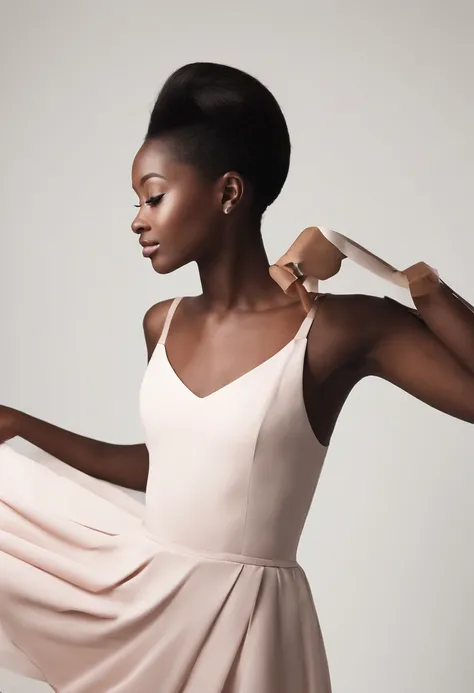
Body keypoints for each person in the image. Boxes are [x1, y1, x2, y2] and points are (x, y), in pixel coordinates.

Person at [0, 61, 473, 693]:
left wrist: (401, 279)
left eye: (154, 196)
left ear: (228, 194)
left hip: (250, 624)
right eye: (137, 202)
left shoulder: (337, 329)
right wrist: (18, 425)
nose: (137, 220)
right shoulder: (160, 322)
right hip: (146, 606)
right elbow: (171, 468)